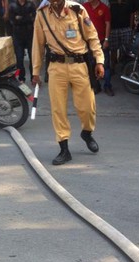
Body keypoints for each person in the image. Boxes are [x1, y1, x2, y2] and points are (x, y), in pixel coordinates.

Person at [31, 0, 105, 165]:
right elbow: (38, 44)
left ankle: (87, 132)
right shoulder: (41, 14)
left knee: (87, 107)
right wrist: (36, 71)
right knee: (58, 109)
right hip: (56, 67)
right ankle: (64, 148)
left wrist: (99, 60)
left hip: (79, 65)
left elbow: (92, 36)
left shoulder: (78, 10)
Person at [83, 0, 112, 95]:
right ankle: (96, 85)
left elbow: (108, 24)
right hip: (88, 41)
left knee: (105, 65)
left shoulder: (104, 8)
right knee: (91, 64)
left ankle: (107, 86)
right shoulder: (84, 7)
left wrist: (107, 39)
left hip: (102, 40)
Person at [108, 0, 136, 78]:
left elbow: (132, 14)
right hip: (113, 29)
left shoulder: (129, 2)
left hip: (126, 28)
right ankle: (112, 67)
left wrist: (130, 28)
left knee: (127, 49)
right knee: (113, 50)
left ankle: (126, 67)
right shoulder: (110, 1)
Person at [9, 0, 36, 82]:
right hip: (17, 35)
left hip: (30, 35)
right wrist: (26, 17)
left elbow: (34, 18)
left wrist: (20, 18)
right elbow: (12, 20)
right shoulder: (12, 5)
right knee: (19, 58)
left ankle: (33, 77)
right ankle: (21, 77)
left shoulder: (30, 5)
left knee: (32, 57)